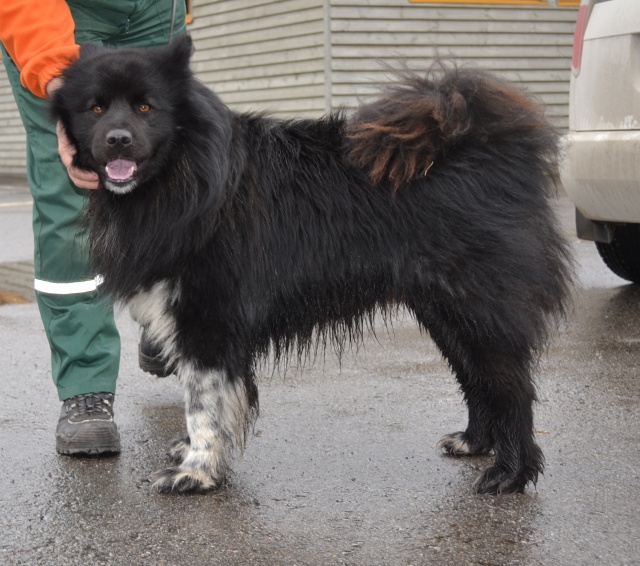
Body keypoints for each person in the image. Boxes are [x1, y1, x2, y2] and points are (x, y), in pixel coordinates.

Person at [0, 0, 186, 455]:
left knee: (169, 171)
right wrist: (58, 80)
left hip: (153, 10)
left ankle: (162, 313)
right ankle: (86, 387)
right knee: (74, 187)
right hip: (62, 13)